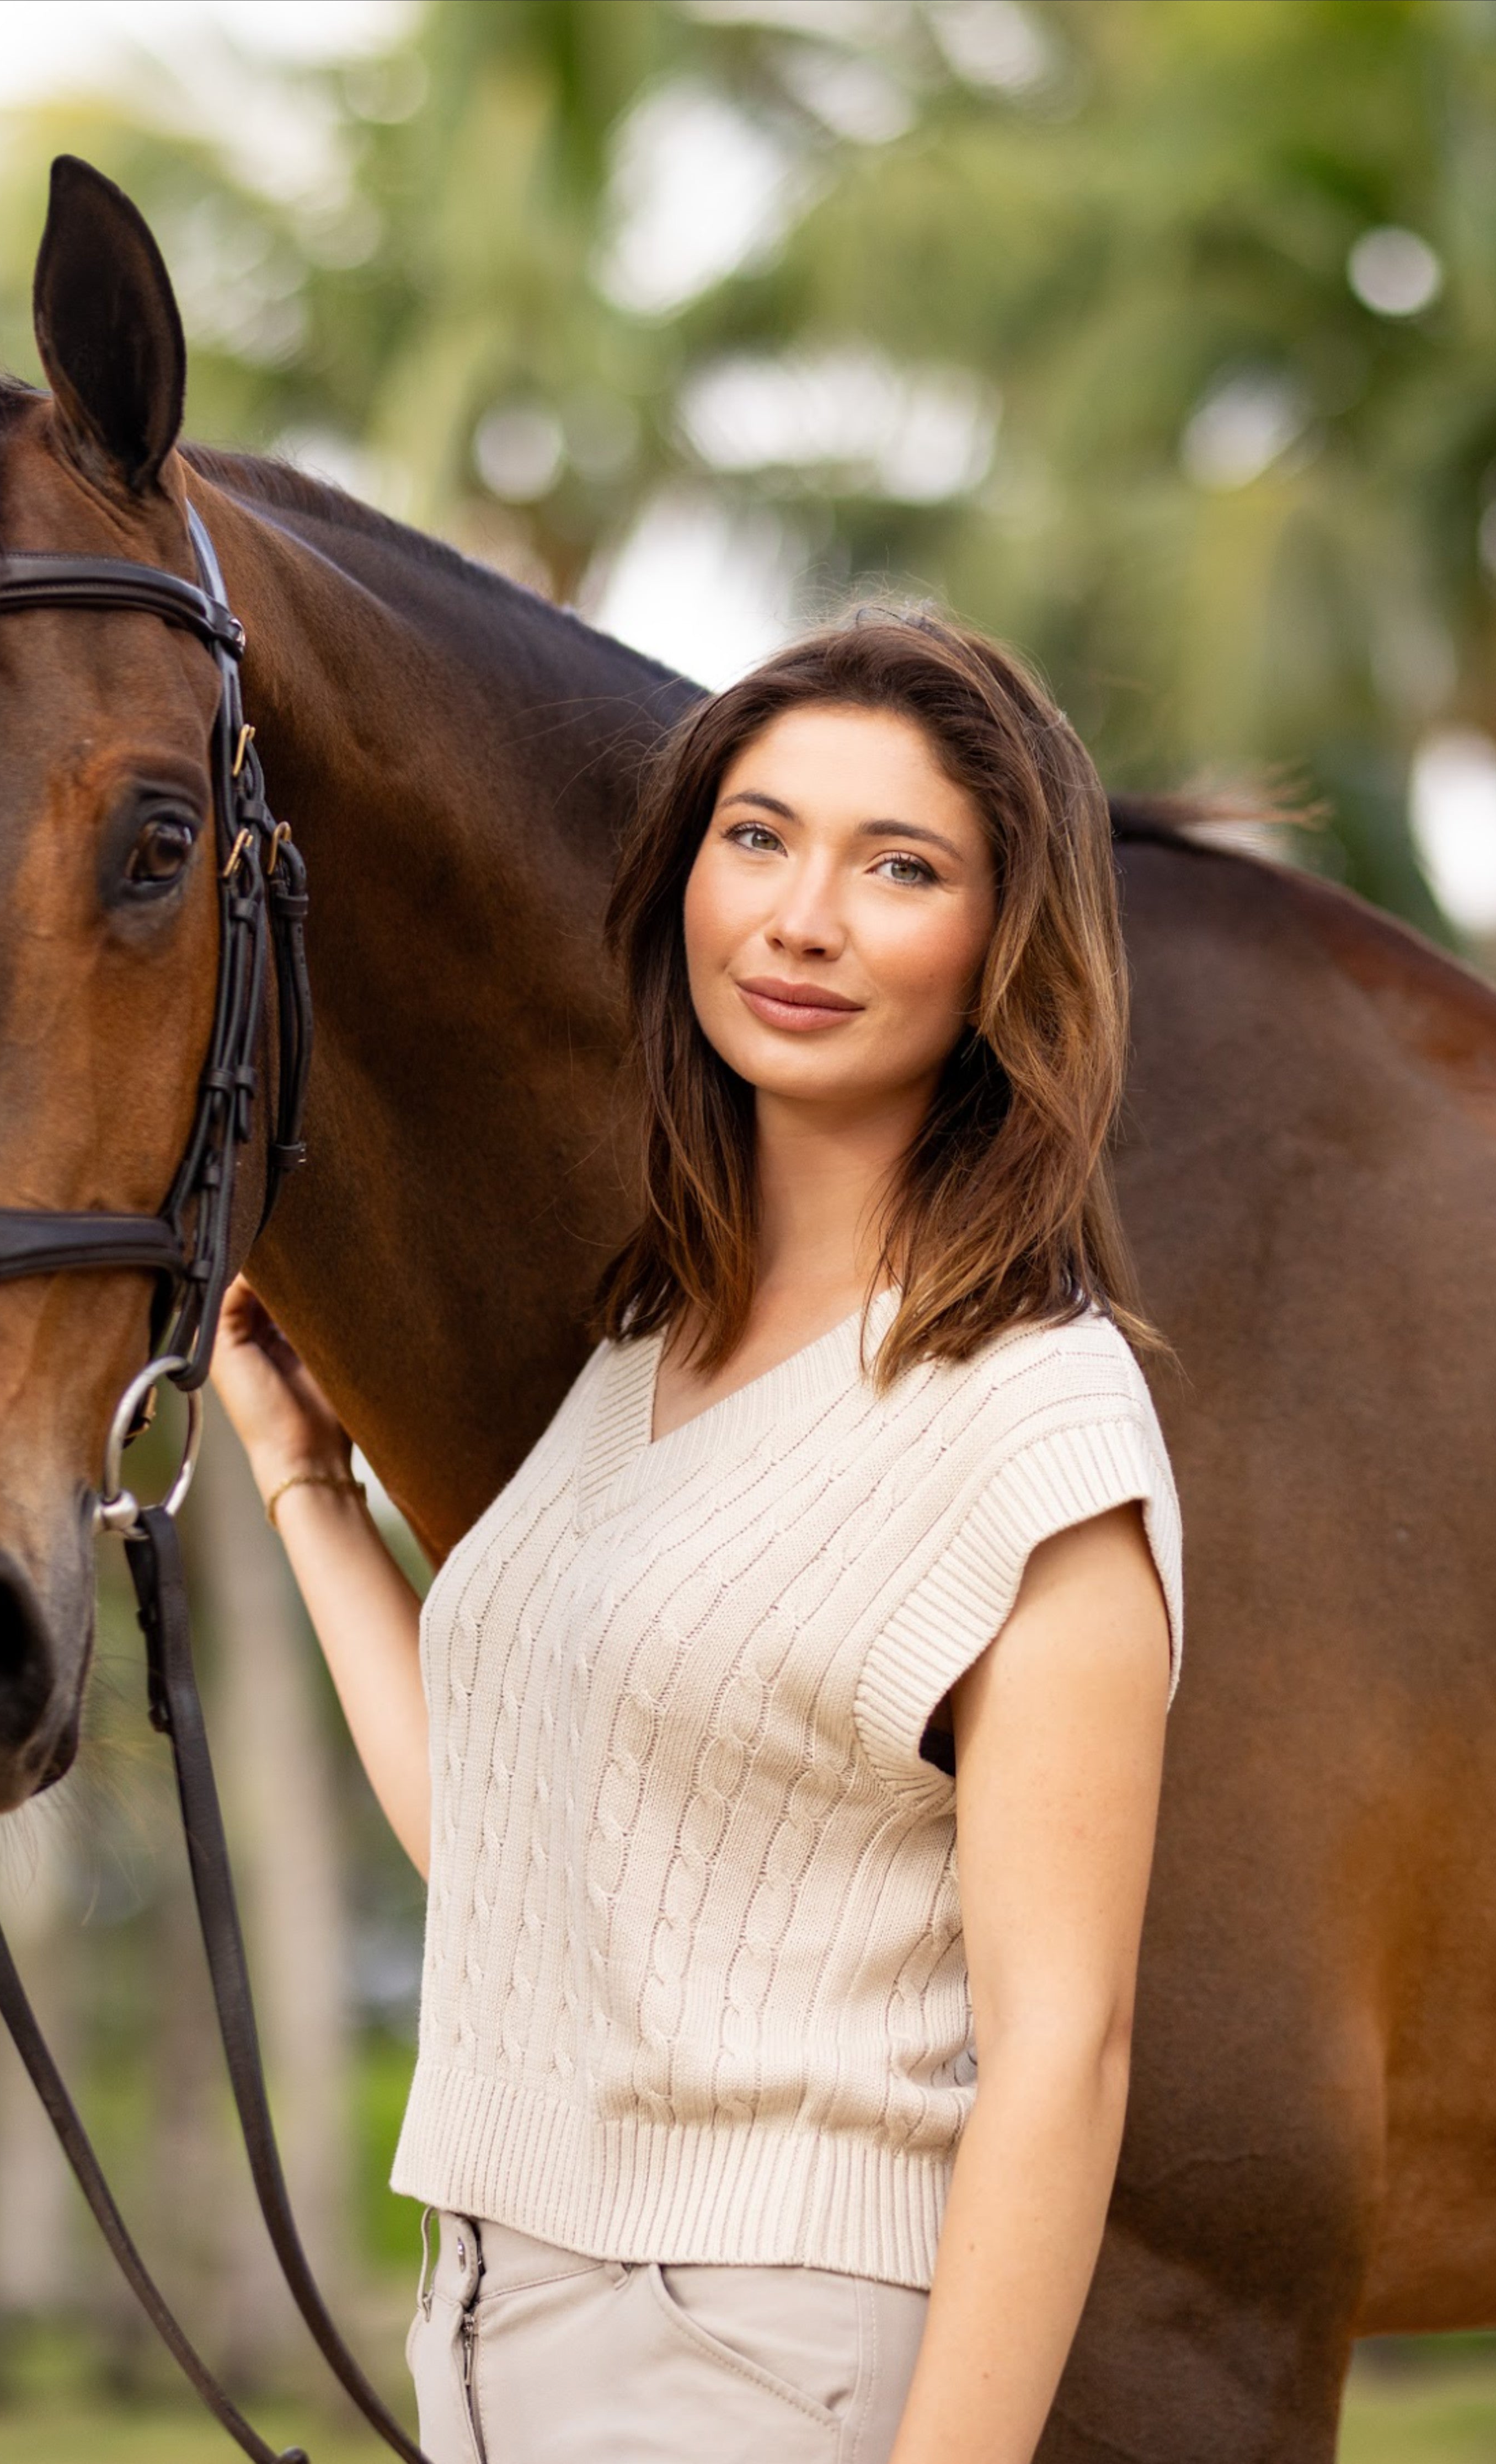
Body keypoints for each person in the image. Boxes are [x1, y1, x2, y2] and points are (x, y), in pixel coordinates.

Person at [210, 606, 1180, 2464]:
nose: (803, 918)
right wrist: (310, 1492)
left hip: (756, 2368)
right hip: (498, 2325)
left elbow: (1068, 2057)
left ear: (1002, 944)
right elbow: (517, 1848)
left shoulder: (1034, 1418)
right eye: (761, 836)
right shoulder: (651, 1351)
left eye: (901, 866)